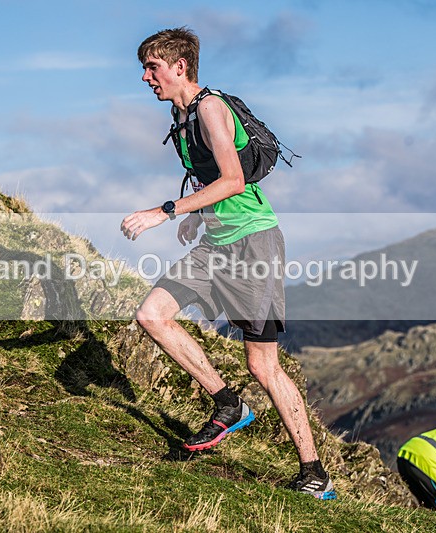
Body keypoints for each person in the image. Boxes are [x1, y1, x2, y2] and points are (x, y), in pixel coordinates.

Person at [120, 27, 335, 500]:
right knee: (151, 315)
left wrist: (168, 211)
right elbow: (211, 179)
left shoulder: (211, 108)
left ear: (180, 67)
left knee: (264, 366)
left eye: (152, 67)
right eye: (145, 68)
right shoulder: (181, 119)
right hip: (215, 246)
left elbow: (235, 180)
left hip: (255, 244)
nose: (145, 77)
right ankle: (227, 403)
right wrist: (196, 217)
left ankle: (314, 472)